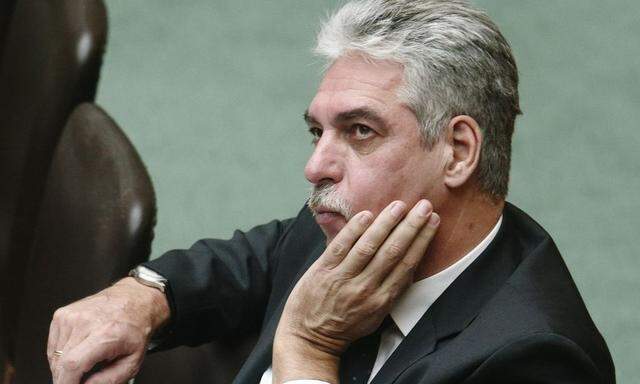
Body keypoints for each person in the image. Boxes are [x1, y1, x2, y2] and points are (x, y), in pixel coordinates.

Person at [47, 1, 615, 383]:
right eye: (318, 131)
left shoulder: (533, 359)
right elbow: (265, 256)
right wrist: (145, 296)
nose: (316, 166)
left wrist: (307, 350)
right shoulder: (359, 223)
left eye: (360, 131)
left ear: (458, 152)